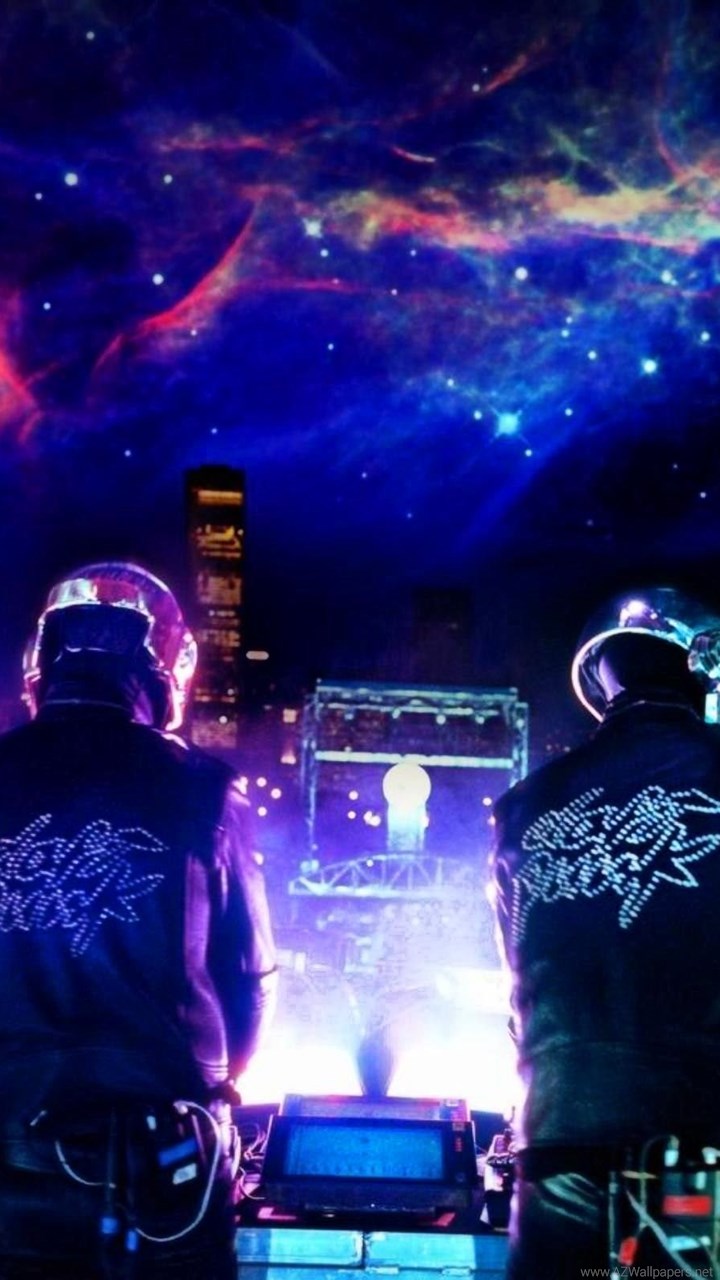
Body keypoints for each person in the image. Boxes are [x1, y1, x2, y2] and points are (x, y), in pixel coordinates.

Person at [0, 562, 277, 1279]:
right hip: (165, 1161)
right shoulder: (205, 787)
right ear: (164, 667)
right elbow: (251, 983)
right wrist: (208, 1085)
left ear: (43, 660)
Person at [491, 588, 720, 1279]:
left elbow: (519, 987)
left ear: (599, 681)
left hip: (554, 1141)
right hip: (693, 1149)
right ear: (702, 668)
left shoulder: (524, 805)